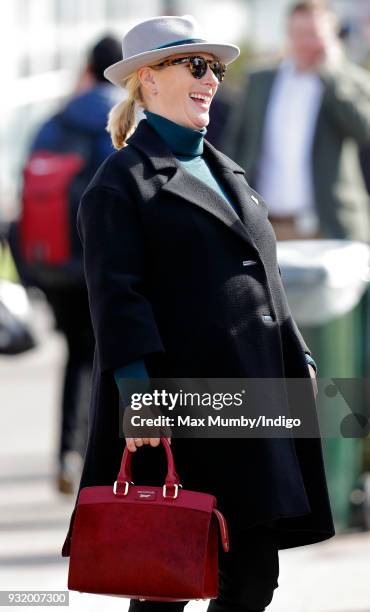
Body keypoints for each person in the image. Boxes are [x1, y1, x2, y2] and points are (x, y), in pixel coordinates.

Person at [61, 15, 335, 611]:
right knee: (167, 572)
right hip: (182, 404)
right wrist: (138, 398)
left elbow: (266, 277)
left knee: (254, 575)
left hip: (255, 399)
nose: (209, 78)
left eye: (214, 67)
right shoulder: (120, 183)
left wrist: (303, 356)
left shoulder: (228, 170)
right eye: (193, 65)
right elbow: (116, 301)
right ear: (147, 80)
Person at [12, 35, 122, 494]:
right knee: (118, 356)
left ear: (87, 67)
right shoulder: (126, 118)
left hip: (56, 262)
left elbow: (25, 193)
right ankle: (110, 464)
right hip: (104, 261)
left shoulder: (54, 119)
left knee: (78, 357)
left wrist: (30, 272)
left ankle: (68, 453)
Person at [223, 0, 370, 242]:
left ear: (331, 36)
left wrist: (332, 75)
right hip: (265, 227)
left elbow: (363, 129)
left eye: (314, 34)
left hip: (329, 228)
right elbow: (235, 145)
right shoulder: (259, 81)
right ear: (287, 34)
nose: (305, 43)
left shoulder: (350, 82)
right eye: (299, 34)